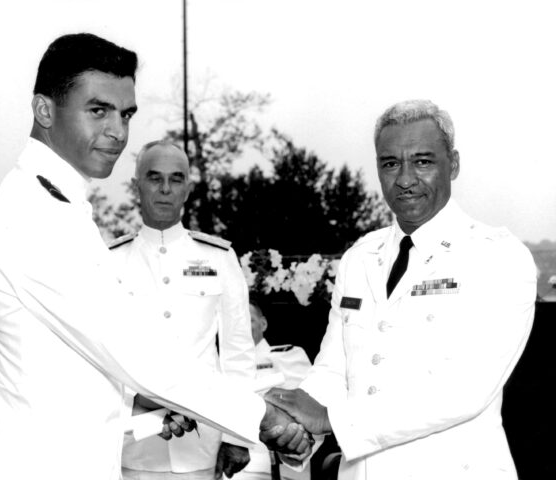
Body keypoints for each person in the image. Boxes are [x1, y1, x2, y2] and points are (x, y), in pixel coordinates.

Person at [0, 33, 310, 480]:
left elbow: (63, 372)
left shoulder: (59, 205)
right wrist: (261, 417)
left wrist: (148, 407)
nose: (118, 132)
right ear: (45, 109)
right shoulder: (33, 215)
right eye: (98, 110)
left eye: (125, 114)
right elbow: (130, 347)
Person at [264, 99, 537, 480]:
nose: (405, 178)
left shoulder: (498, 257)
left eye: (423, 161)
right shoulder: (360, 258)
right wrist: (294, 428)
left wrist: (329, 419)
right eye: (390, 163)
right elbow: (333, 369)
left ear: (453, 165)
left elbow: (464, 391)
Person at [110, 141, 256, 480]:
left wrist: (237, 435)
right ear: (136, 186)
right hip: (131, 445)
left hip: (201, 441)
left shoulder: (218, 257)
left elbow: (237, 354)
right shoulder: (110, 260)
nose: (165, 189)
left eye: (176, 179)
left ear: (188, 188)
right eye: (154, 178)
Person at [233, 300, 312, 480]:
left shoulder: (286, 356)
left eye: (249, 320)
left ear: (263, 324)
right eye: (237, 321)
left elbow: (305, 409)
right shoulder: (217, 366)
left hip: (276, 464)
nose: (243, 326)